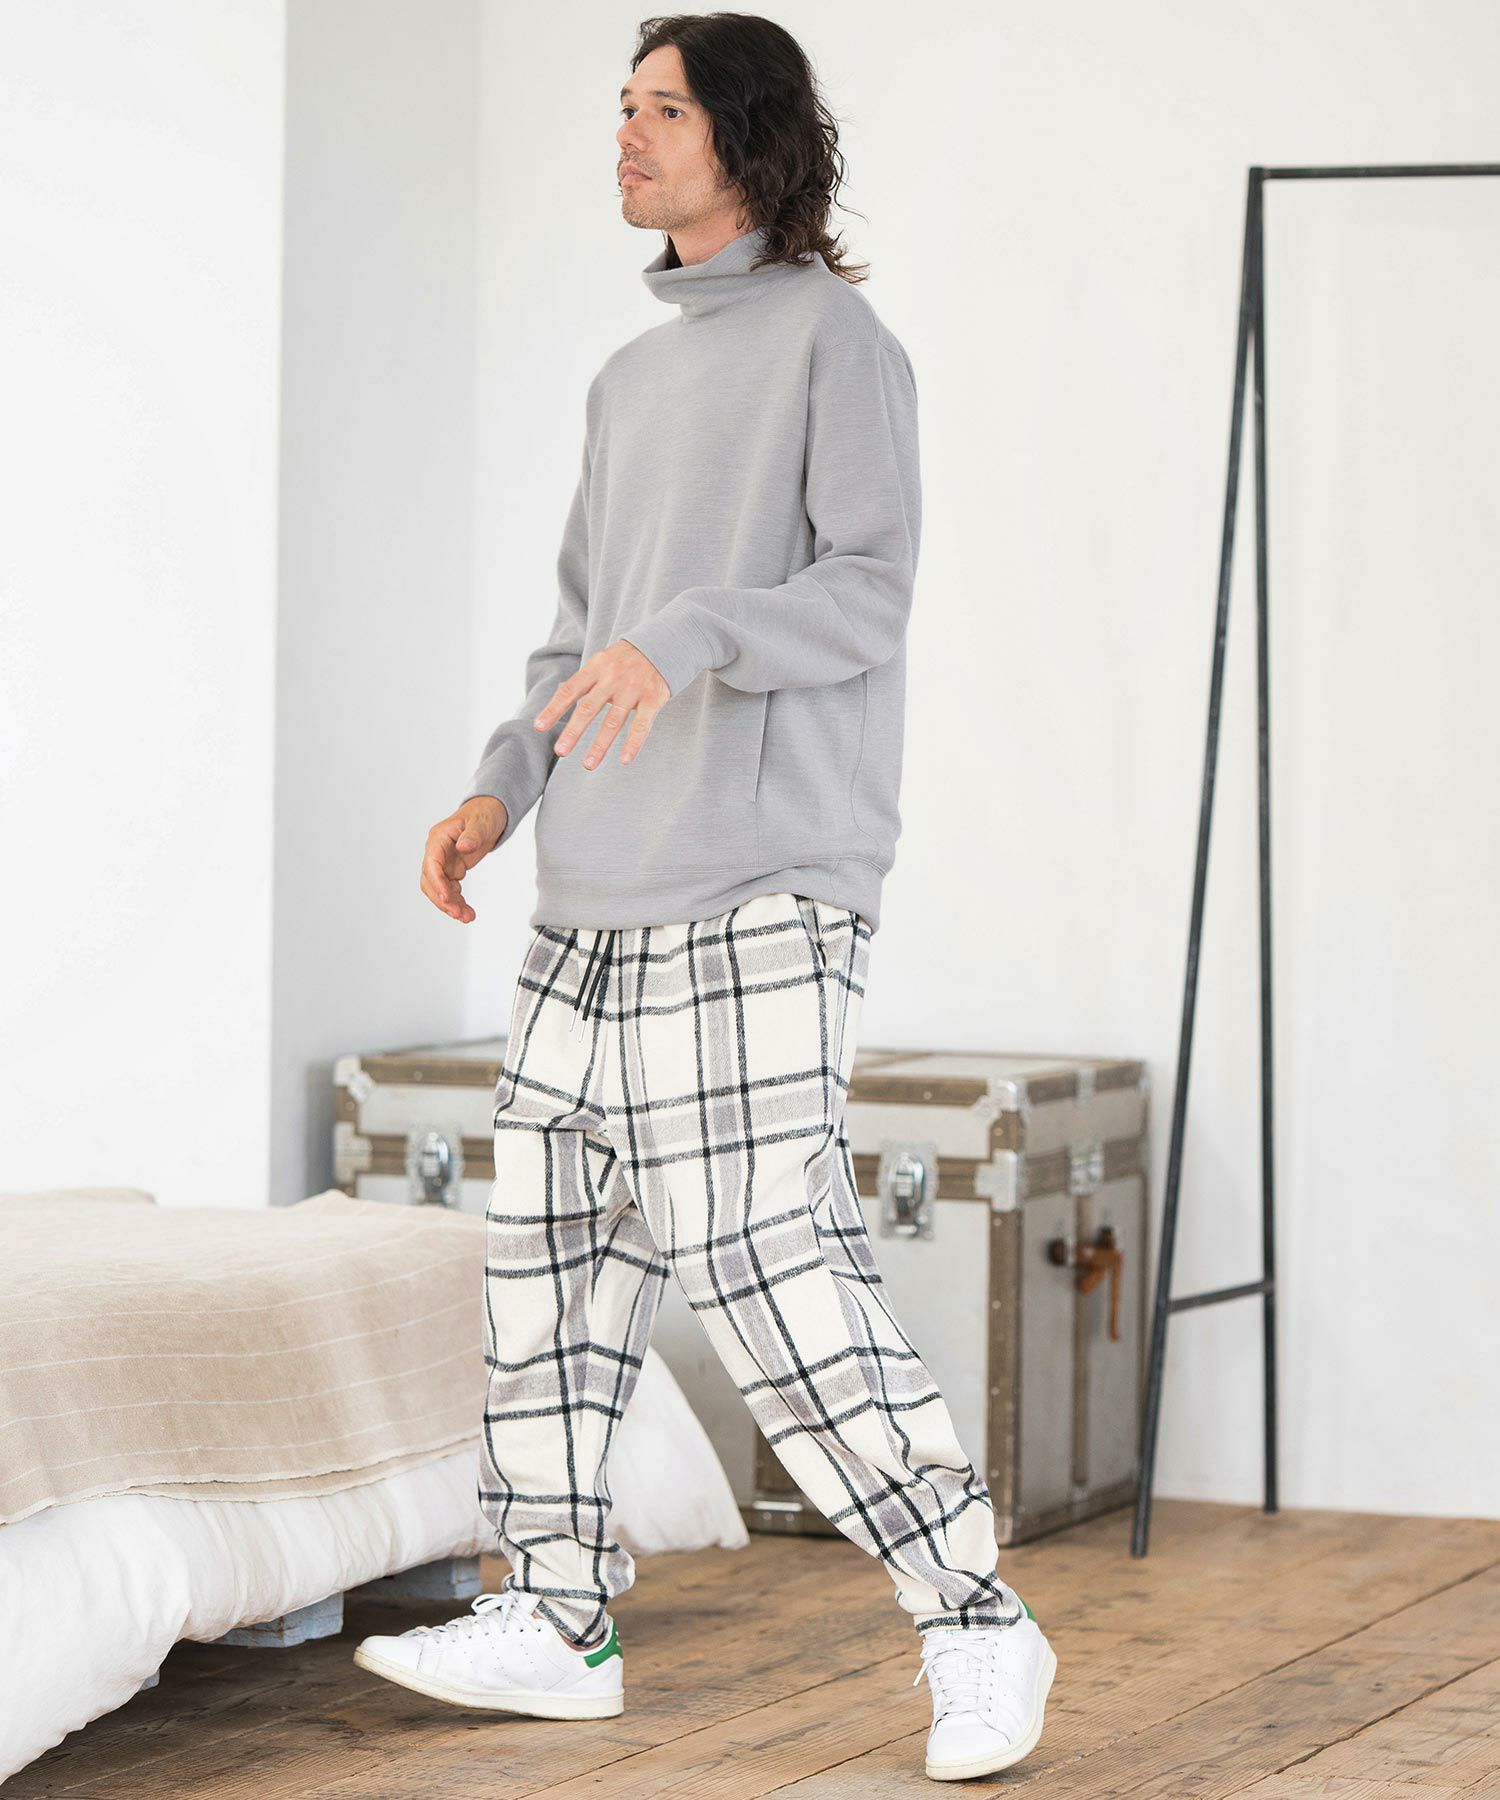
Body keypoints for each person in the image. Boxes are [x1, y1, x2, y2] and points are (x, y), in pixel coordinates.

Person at [359, 13, 1057, 1782]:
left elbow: (869, 592)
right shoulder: (628, 380)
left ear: (747, 138)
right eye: (620, 107)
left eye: (659, 109)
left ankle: (977, 1621)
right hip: (589, 894)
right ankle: (557, 1614)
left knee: (764, 1260)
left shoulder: (839, 343)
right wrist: (499, 784)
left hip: (759, 884)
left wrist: (693, 635)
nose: (625, 135)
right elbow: (574, 634)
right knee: (549, 1268)